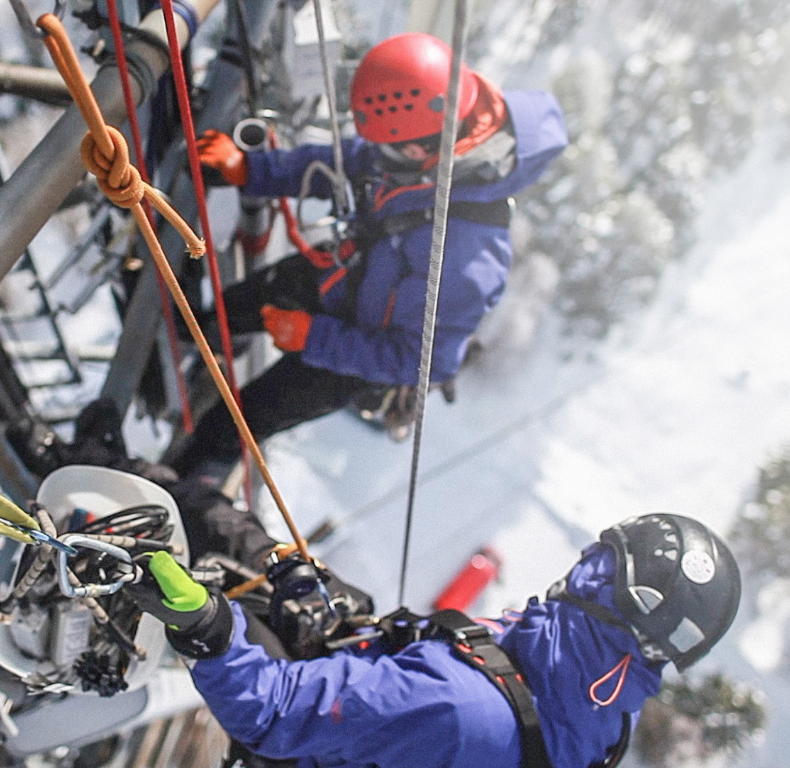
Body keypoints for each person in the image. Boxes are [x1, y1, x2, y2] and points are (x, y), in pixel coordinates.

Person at [170, 32, 568, 474]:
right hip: (343, 276)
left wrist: (312, 339)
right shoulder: (426, 137)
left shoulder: (464, 259)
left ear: (418, 150)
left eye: (388, 150)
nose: (376, 155)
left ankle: (180, 481)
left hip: (358, 355)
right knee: (229, 311)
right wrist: (251, 169)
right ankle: (203, 343)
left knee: (236, 422)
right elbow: (344, 166)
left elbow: (420, 361)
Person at [128, 513, 742, 768]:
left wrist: (206, 628)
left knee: (224, 569)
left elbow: (274, 708)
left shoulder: (461, 707)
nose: (573, 575)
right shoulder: (597, 718)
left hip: (304, 735)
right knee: (257, 555)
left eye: (597, 572)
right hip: (385, 710)